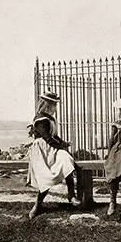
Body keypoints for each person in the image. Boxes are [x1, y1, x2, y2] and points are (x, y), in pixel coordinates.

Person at [26, 91, 80, 219]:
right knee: (46, 178)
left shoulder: (51, 119)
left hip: (52, 149)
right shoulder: (40, 120)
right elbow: (48, 139)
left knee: (66, 160)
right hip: (42, 151)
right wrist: (60, 145)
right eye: (54, 105)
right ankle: (37, 205)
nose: (56, 108)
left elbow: (54, 136)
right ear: (46, 106)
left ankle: (71, 195)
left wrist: (63, 144)